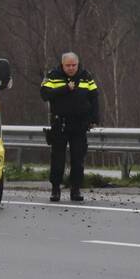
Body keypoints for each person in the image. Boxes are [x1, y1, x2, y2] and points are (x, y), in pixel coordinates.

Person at [39, 52, 100, 202]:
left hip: (79, 124)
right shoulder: (53, 75)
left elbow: (94, 97)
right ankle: (55, 190)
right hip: (60, 124)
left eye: (74, 65)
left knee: (78, 159)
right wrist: (66, 89)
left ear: (78, 64)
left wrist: (94, 118)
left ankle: (76, 190)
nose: (71, 68)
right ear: (62, 64)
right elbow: (45, 94)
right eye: (68, 65)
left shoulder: (86, 76)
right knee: (57, 159)